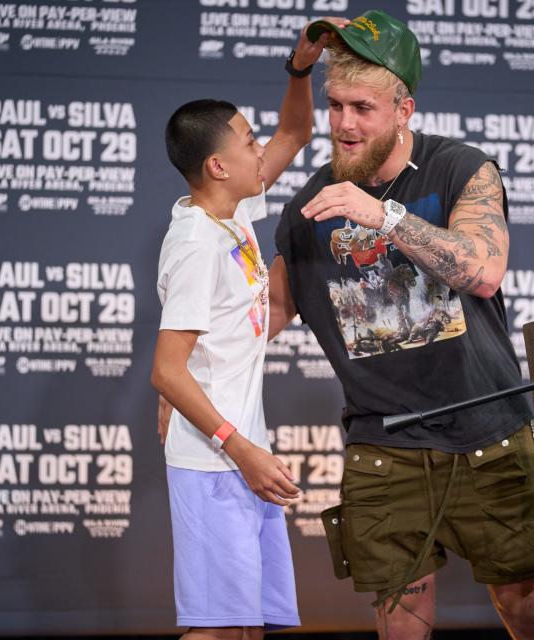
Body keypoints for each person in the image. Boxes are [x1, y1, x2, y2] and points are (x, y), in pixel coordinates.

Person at [269, 10, 534, 639]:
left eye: (363, 108)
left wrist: (385, 217)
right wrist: (184, 374)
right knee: (400, 619)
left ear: (404, 109)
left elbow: (484, 271)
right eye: (336, 105)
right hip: (384, 445)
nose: (344, 124)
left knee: (526, 604)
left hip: (489, 433)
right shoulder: (309, 205)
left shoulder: (460, 169)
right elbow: (268, 315)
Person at [151, 20, 345, 640]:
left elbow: (296, 130)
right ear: (217, 165)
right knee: (216, 631)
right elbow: (167, 369)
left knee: (246, 627)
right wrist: (242, 451)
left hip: (238, 455)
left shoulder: (232, 213)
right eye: (247, 140)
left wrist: (301, 67)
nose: (262, 148)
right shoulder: (195, 245)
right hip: (216, 462)